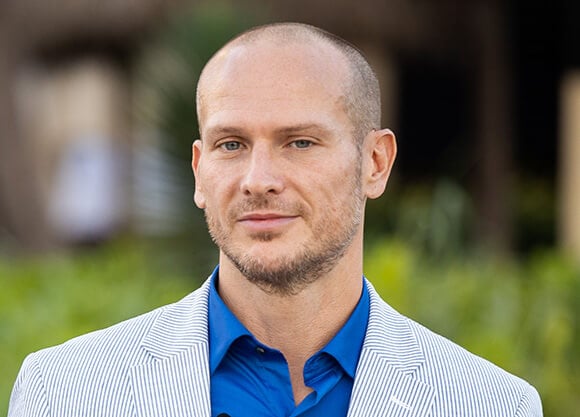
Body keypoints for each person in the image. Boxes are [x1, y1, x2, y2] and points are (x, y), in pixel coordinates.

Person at [9, 22, 542, 417]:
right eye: (232, 143)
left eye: (300, 142)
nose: (258, 178)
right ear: (199, 171)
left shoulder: (492, 403)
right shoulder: (65, 391)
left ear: (375, 164)